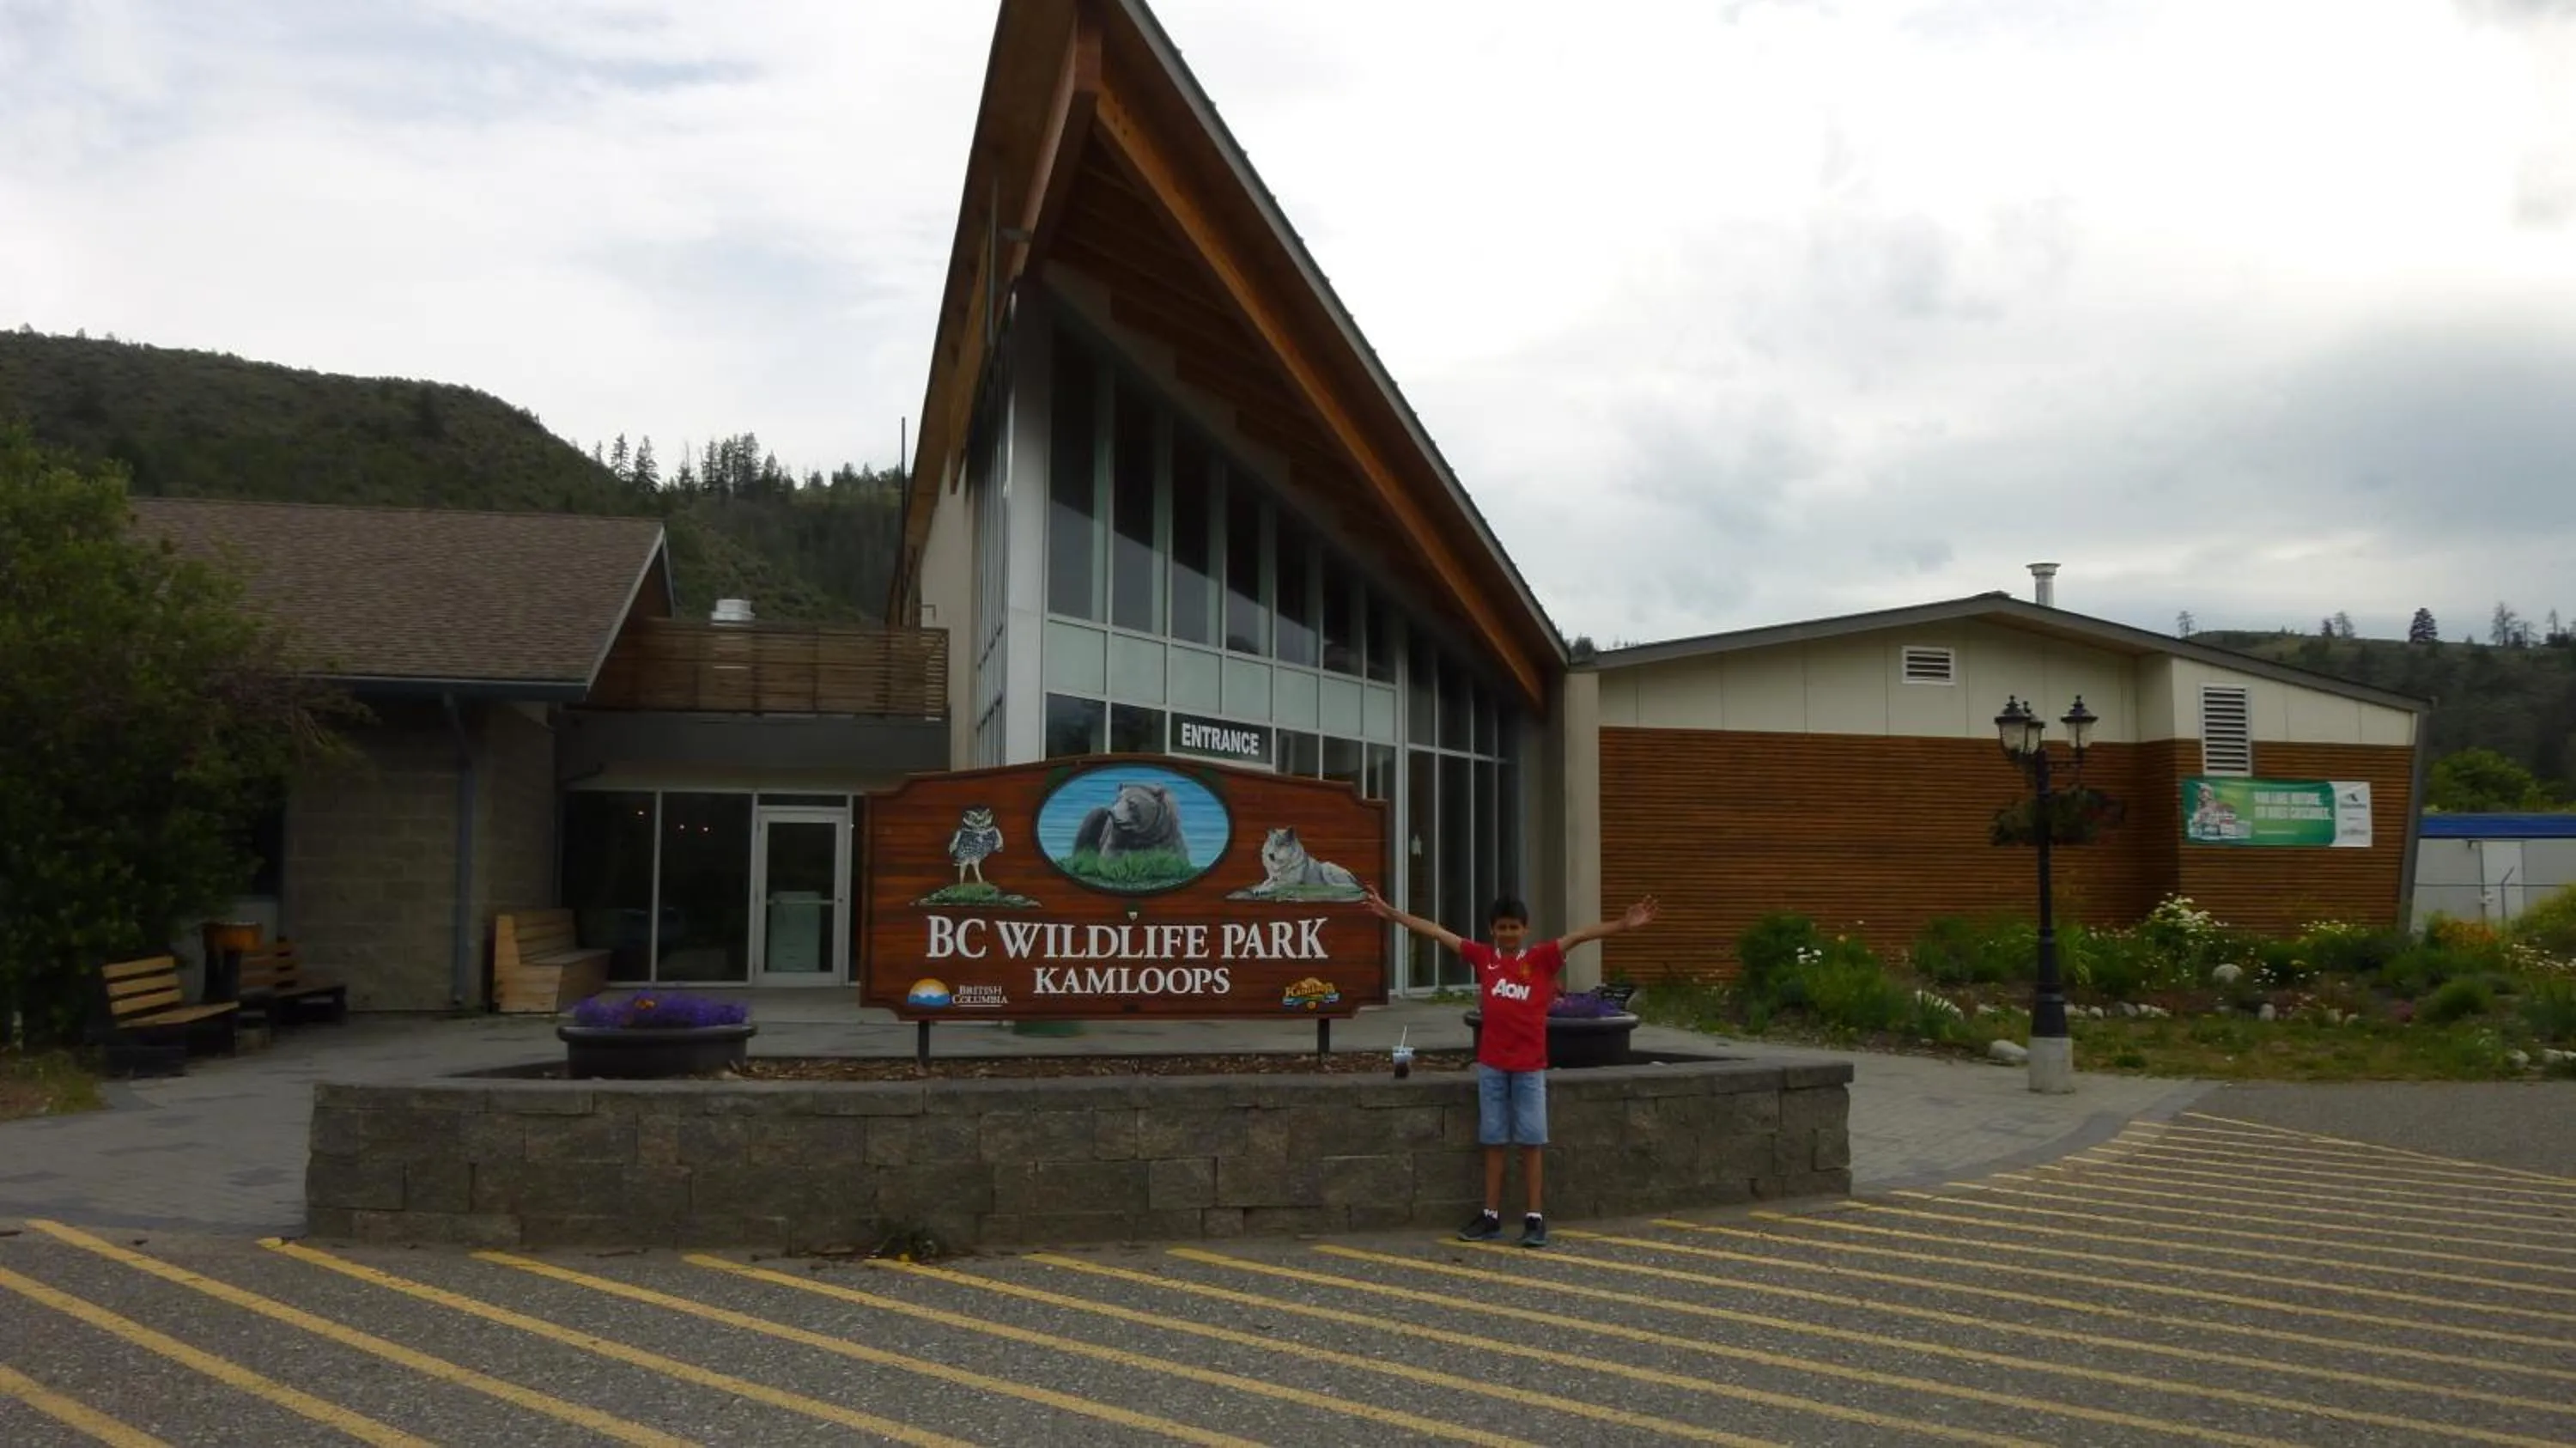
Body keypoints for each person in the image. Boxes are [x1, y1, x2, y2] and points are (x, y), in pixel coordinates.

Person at [1361, 888, 1659, 1248]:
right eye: (1501, 927)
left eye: (1514, 927)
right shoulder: (1483, 958)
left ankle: (1534, 1218)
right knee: (1494, 1141)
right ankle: (1490, 1217)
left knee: (1531, 1143)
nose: (1507, 933)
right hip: (1492, 1068)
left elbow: (1580, 936)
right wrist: (1392, 913)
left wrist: (1623, 925)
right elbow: (1437, 932)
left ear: (1525, 929)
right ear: (1492, 930)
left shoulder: (1542, 958)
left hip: (1529, 1068)